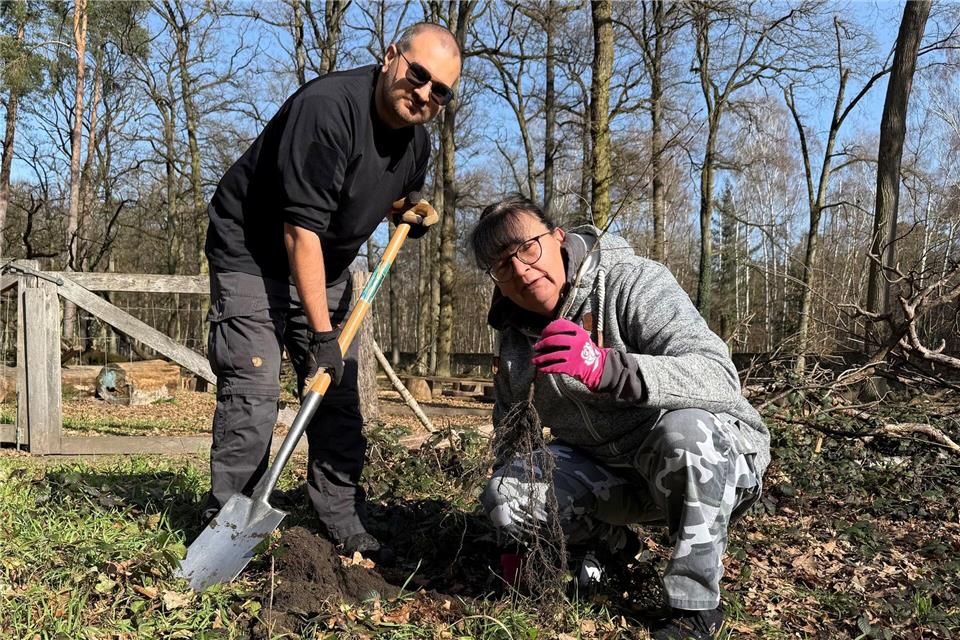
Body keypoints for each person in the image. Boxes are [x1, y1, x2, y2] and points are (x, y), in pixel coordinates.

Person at [201, 22, 461, 562]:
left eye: (440, 91)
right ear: (390, 57)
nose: (424, 94)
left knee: (336, 397)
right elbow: (300, 231)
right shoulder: (328, 109)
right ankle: (228, 520)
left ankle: (340, 515)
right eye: (418, 75)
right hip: (254, 251)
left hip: (327, 261)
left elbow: (386, 193)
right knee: (253, 386)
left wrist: (408, 209)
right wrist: (323, 333)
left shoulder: (417, 143)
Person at [470, 195, 770, 640]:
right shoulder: (516, 339)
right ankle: (615, 546)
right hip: (612, 473)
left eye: (528, 248)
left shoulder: (631, 282)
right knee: (507, 495)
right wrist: (512, 532)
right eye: (502, 264)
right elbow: (511, 434)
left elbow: (719, 375)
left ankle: (694, 607)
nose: (520, 269)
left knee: (684, 432)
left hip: (709, 461)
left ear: (557, 238)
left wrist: (609, 368)